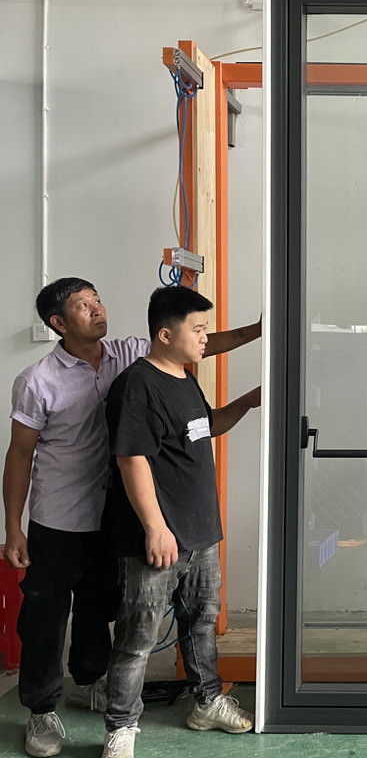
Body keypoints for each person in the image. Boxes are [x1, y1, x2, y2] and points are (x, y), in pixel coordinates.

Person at [2, 277, 260, 758]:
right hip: (60, 516)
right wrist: (13, 526)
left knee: (100, 610)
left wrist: (256, 332)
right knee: (46, 618)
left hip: (114, 514)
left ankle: (88, 683)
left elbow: (190, 337)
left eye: (98, 300)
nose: (98, 309)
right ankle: (41, 710)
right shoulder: (39, 380)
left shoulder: (126, 353)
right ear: (58, 323)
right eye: (84, 305)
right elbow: (19, 455)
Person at [101, 285, 259, 758]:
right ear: (166, 334)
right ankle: (121, 727)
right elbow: (131, 459)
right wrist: (155, 528)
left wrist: (251, 401)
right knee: (139, 635)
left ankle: (207, 702)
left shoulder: (185, 378)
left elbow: (205, 427)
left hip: (200, 532)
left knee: (201, 623)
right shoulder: (137, 386)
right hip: (158, 537)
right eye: (199, 329)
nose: (207, 338)